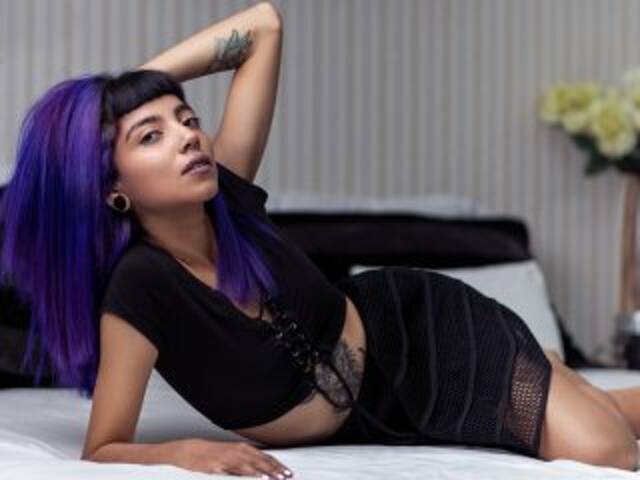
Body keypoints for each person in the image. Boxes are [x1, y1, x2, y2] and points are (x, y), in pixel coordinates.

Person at [1, 2, 640, 479]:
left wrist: (116, 98)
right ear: (111, 187)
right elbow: (104, 447)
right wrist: (184, 453)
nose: (189, 135)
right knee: (602, 421)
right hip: (373, 414)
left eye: (187, 118)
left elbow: (263, 25)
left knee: (606, 452)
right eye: (151, 136)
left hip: (421, 335)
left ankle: (544, 372)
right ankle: (553, 375)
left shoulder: (227, 198)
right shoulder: (139, 287)